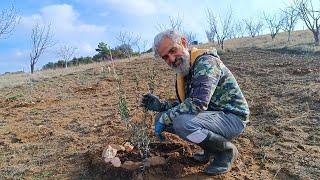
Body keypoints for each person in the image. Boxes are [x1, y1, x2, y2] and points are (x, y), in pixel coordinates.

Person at [141, 29, 250, 175]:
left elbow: (197, 103)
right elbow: (185, 105)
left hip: (232, 118)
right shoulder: (186, 70)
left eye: (173, 50)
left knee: (182, 123)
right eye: (165, 57)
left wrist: (166, 117)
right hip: (214, 116)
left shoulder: (206, 62)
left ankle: (226, 151)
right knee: (164, 117)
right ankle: (210, 149)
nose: (171, 59)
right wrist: (161, 106)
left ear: (184, 43)